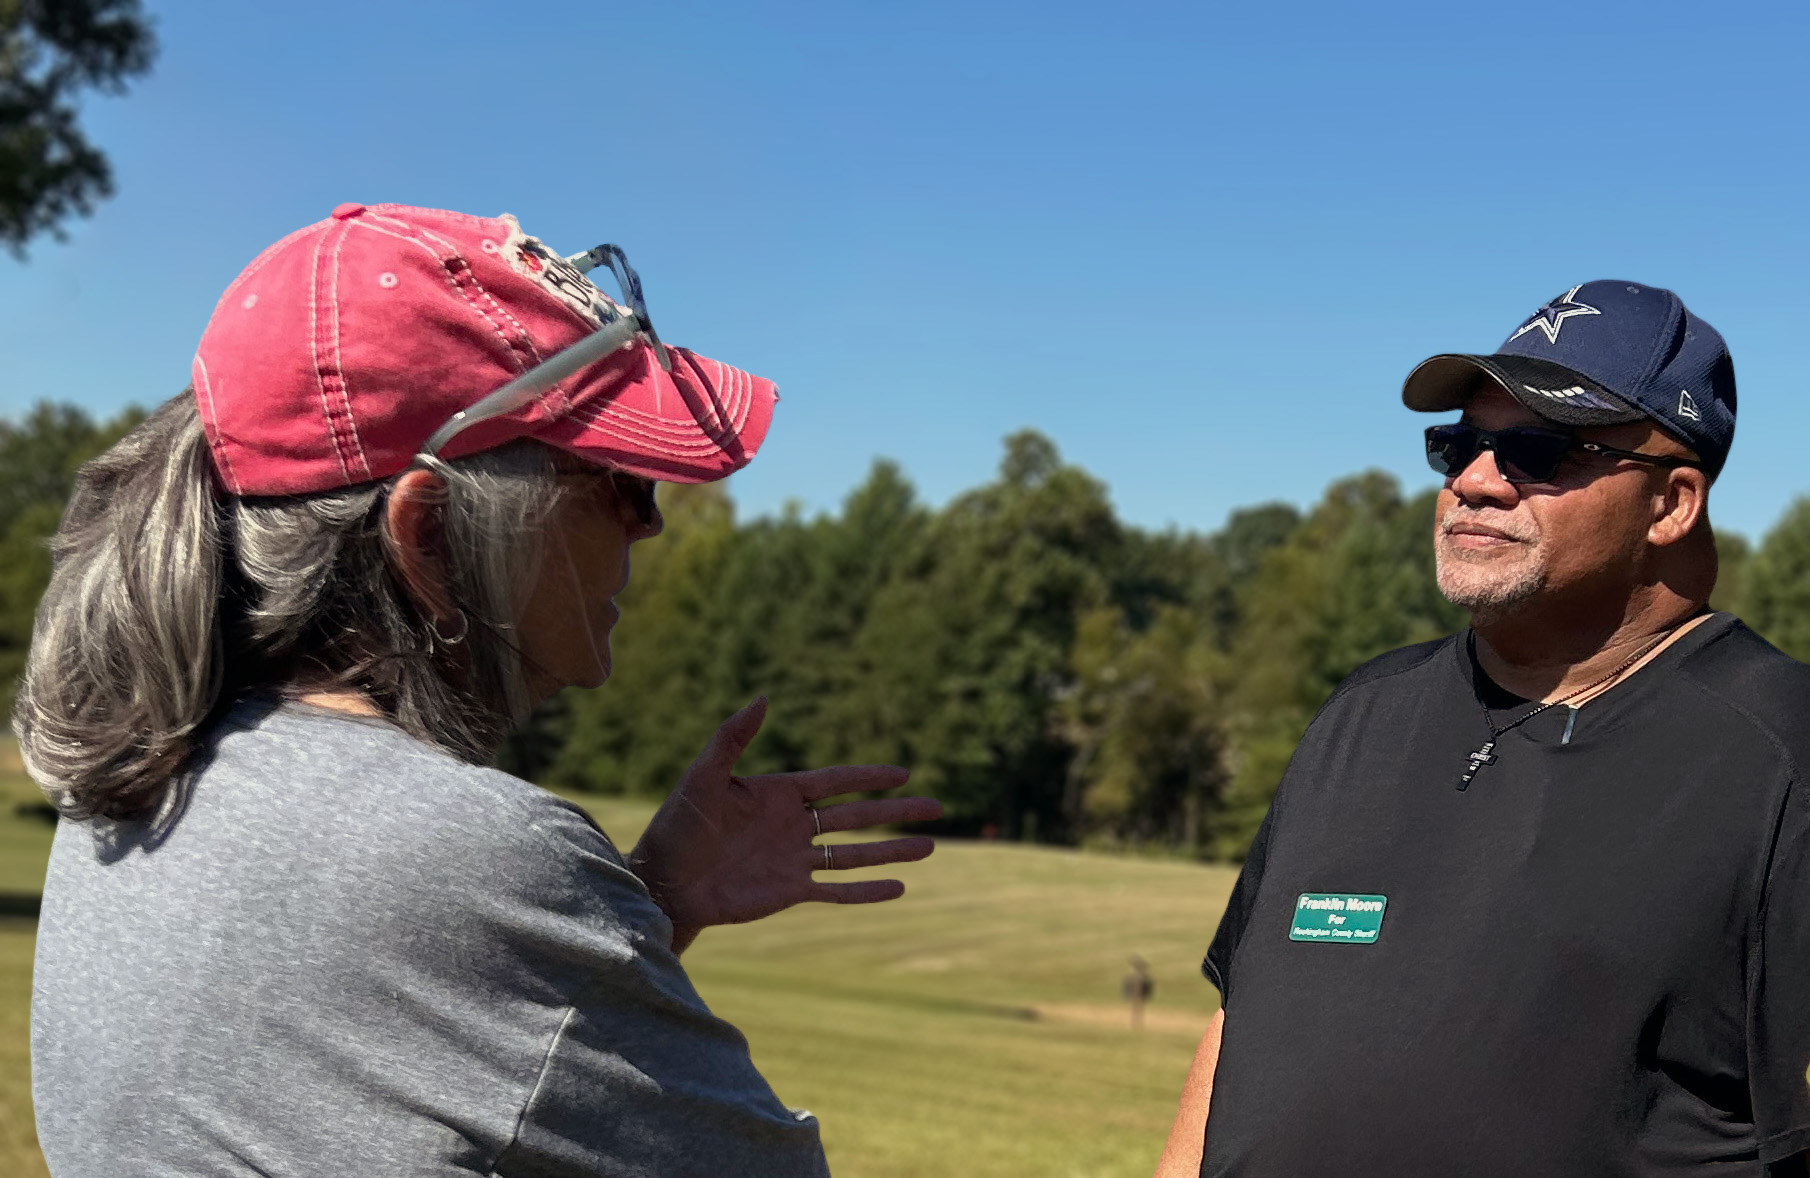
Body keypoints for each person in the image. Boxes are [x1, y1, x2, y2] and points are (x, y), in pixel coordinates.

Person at [20, 202, 943, 1177]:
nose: (649, 527)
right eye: (622, 481)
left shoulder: (147, 779)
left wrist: (651, 900)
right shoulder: (472, 850)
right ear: (428, 537)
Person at [1155, 280, 1810, 1176]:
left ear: (1671, 503)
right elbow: (1242, 1019)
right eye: (1458, 443)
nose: (1472, 482)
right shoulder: (1364, 710)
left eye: (1537, 451)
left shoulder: (1780, 753)